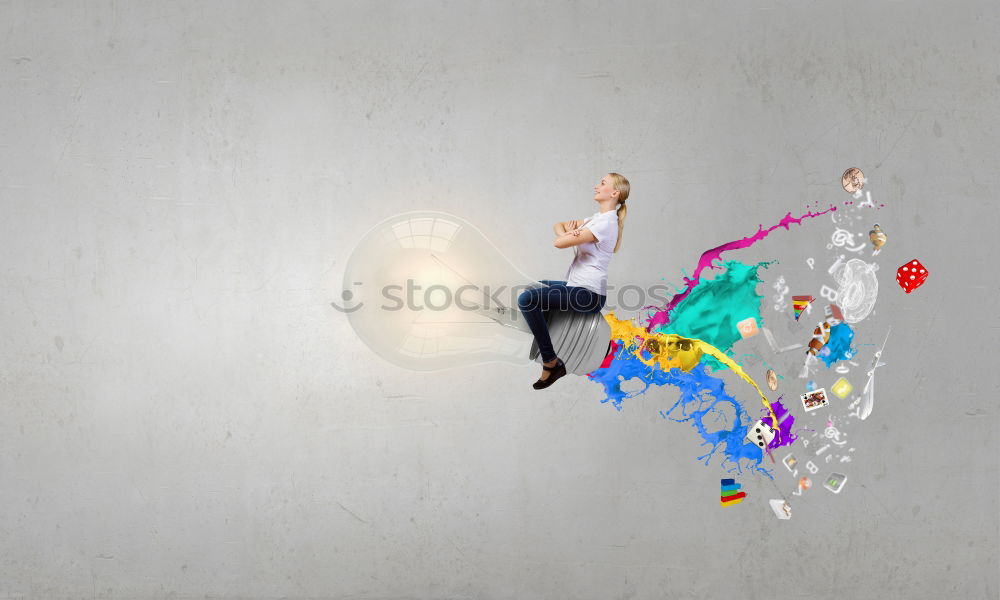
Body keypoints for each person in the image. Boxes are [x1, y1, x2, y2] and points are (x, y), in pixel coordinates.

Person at [516, 173, 630, 390]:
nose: (596, 186)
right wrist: (570, 233)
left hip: (588, 295)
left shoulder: (606, 223)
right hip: (576, 287)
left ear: (614, 193)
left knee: (527, 299)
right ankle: (549, 337)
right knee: (536, 287)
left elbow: (559, 243)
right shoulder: (595, 219)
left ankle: (551, 361)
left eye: (602, 183)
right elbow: (558, 227)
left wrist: (569, 235)